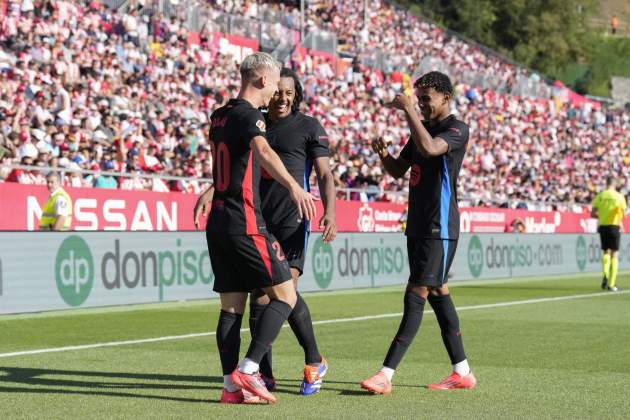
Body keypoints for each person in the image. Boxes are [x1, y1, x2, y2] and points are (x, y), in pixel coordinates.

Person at [200, 52, 317, 405]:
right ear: (264, 80)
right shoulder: (251, 116)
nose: (273, 97)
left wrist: (209, 191)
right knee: (285, 294)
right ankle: (250, 369)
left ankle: (230, 388)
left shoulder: (220, 115)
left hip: (218, 221)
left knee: (231, 307)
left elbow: (232, 162)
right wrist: (294, 186)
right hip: (244, 220)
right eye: (274, 86)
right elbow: (262, 151)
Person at [360, 71, 476, 394]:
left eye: (427, 99)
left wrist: (408, 109)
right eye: (419, 98)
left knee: (417, 293)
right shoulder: (421, 128)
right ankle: (462, 371)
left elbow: (431, 147)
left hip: (439, 227)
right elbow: (399, 169)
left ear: (446, 98)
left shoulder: (456, 129)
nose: (422, 104)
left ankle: (386, 374)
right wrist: (383, 154)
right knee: (438, 293)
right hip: (419, 225)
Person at [249, 67, 337, 395]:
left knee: (284, 292)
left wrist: (330, 211)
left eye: (289, 92)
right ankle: (265, 376)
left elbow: (325, 174)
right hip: (258, 220)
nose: (283, 98)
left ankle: (314, 361)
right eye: (278, 91)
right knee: (258, 297)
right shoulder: (255, 123)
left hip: (294, 220)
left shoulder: (308, 126)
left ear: (296, 95)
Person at [591, 177, 627, 291]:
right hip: (614, 225)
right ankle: (611, 284)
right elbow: (623, 214)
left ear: (606, 183)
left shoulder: (600, 196)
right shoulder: (619, 197)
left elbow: (592, 214)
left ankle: (605, 275)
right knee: (615, 254)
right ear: (615, 185)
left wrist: (602, 216)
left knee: (606, 251)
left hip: (603, 226)